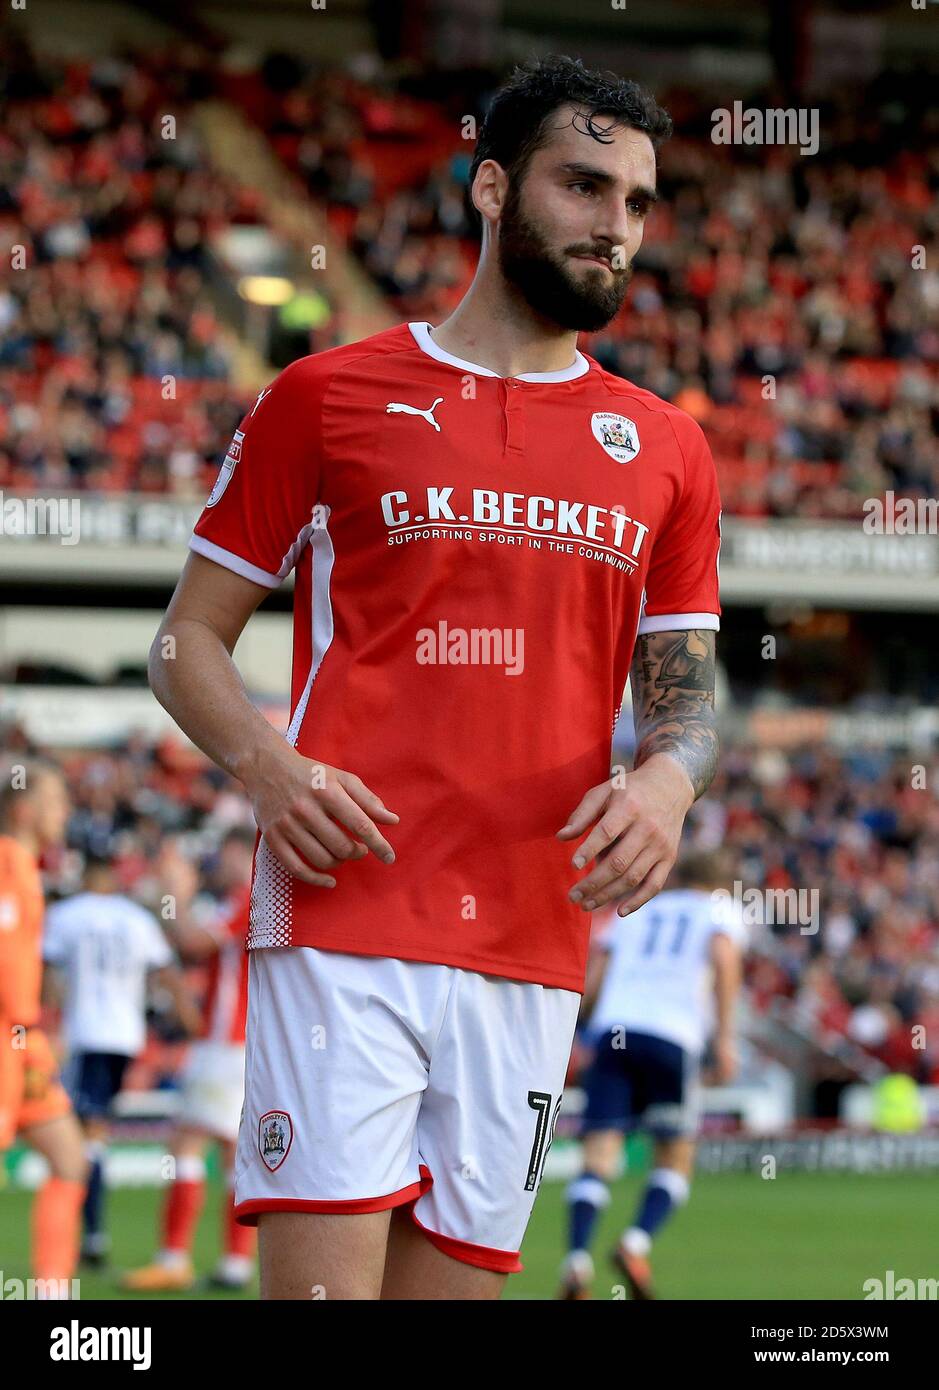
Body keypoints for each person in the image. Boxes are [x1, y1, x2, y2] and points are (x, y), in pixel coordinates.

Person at [149, 55, 722, 1300]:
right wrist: (266, 764)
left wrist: (670, 787)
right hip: (345, 911)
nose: (614, 227)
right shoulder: (325, 396)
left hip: (537, 936)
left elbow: (686, 692)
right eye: (583, 186)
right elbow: (182, 640)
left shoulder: (671, 451)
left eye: (637, 203)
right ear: (491, 187)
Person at [559, 851, 746, 1299]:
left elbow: (597, 974)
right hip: (672, 1036)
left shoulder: (639, 907)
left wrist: (584, 1026)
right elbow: (722, 956)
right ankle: (633, 1243)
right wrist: (724, 1037)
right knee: (675, 1155)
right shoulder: (720, 909)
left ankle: (577, 1261)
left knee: (599, 1153)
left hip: (614, 1031)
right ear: (719, 883)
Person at [42, 851, 201, 1267]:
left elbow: (43, 968)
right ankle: (90, 1232)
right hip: (125, 1038)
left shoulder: (68, 914)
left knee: (84, 1133)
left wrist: (41, 1021)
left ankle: (91, 1234)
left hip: (85, 1034)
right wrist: (187, 1015)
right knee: (94, 1130)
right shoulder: (136, 918)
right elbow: (167, 971)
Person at [122, 829, 257, 1291]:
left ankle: (173, 1258)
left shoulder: (246, 894)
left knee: (185, 1145)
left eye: (227, 854)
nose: (221, 863)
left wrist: (173, 896)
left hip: (224, 1044)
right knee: (234, 1156)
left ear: (242, 853)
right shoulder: (259, 900)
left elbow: (192, 941)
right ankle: (235, 1264)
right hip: (244, 1044)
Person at [0, 758, 87, 1295]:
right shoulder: (8, 862)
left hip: (22, 1041)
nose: (67, 812)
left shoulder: (25, 865)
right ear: (26, 808)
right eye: (58, 801)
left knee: (69, 1159)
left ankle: (51, 1295)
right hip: (9, 1035)